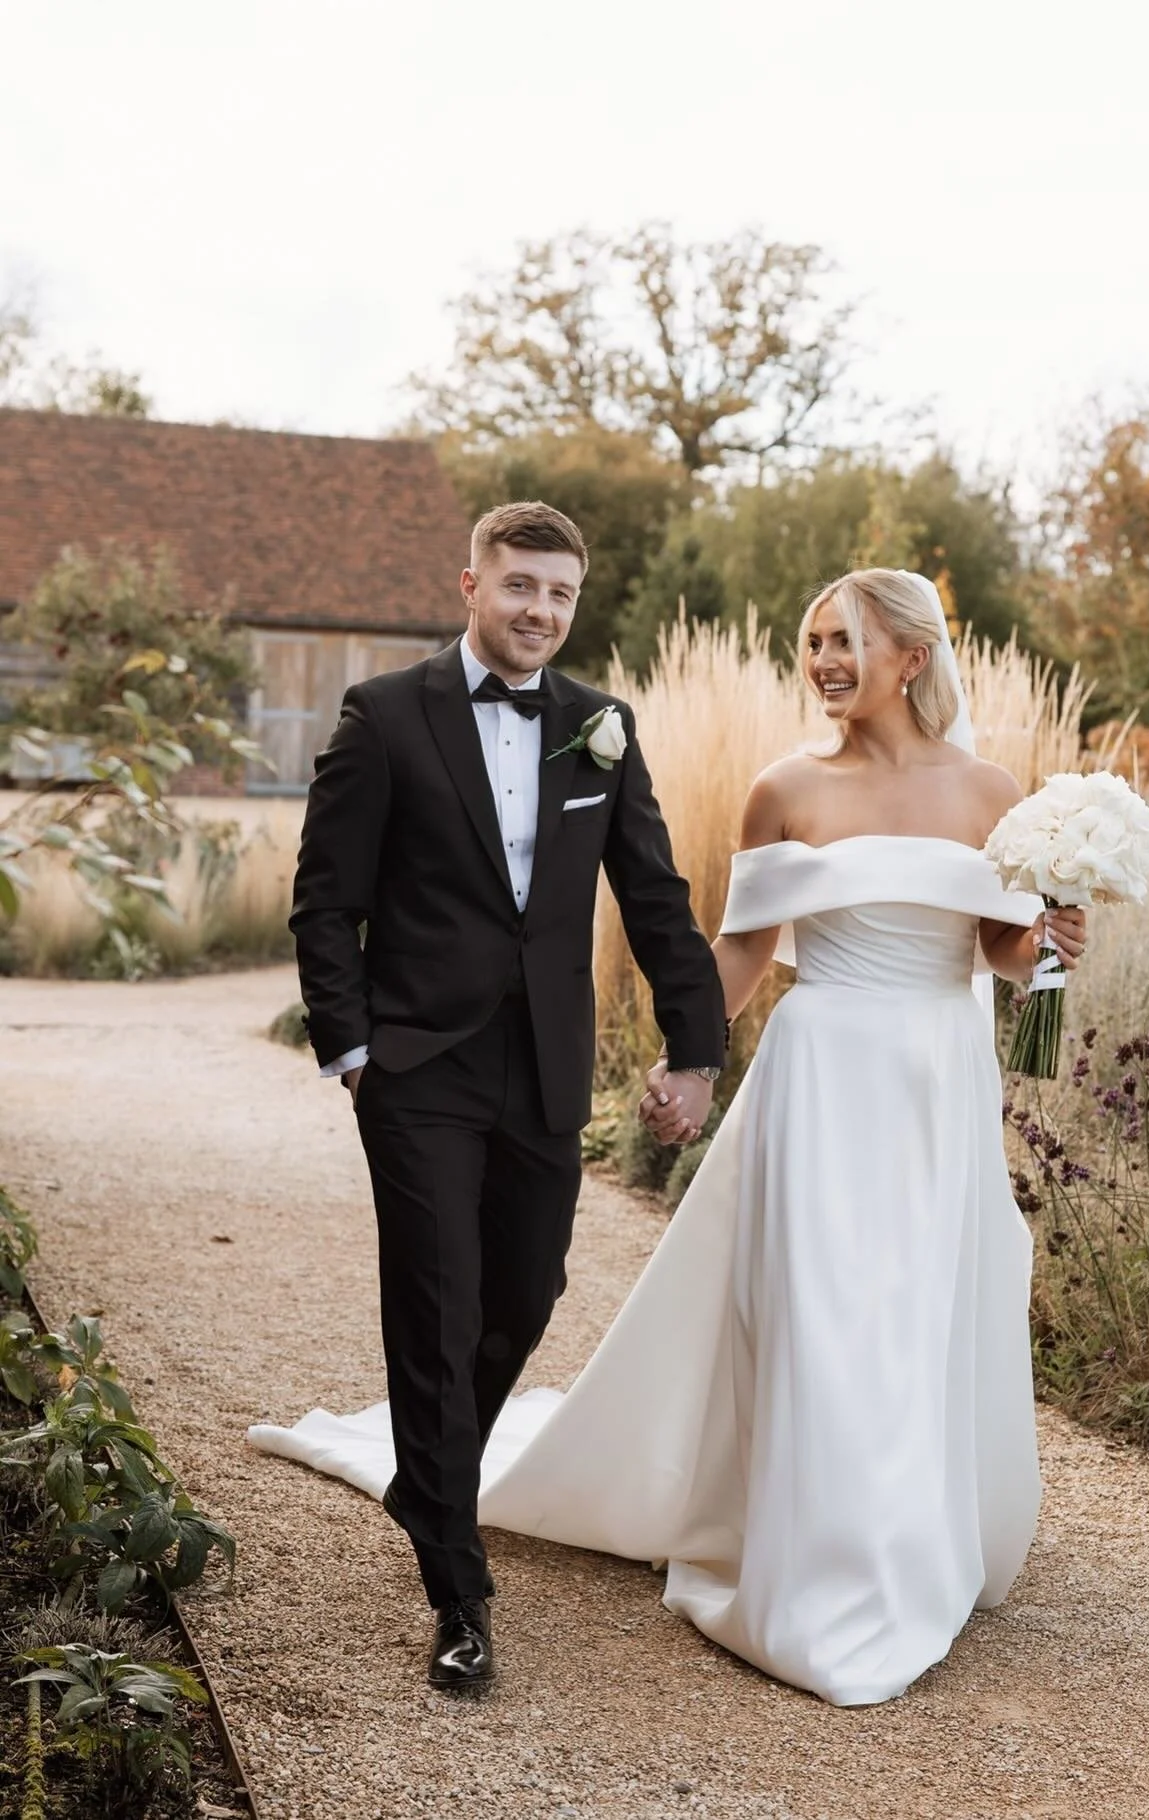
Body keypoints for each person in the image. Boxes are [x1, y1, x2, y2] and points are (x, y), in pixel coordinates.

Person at [255, 566, 1086, 1707]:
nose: (826, 659)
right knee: (826, 1308)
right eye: (813, 639)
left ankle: (908, 1532)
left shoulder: (994, 790)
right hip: (825, 1075)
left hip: (939, 1079)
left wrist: (1050, 948)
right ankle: (818, 1557)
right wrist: (691, 1059)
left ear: (912, 655)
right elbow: (738, 950)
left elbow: (998, 948)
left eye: (846, 639)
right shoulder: (784, 787)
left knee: (913, 1304)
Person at [284, 499, 726, 1690]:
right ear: (469, 584)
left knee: (526, 1291)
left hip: (544, 1064)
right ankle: (459, 1585)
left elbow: (656, 894)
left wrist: (696, 1042)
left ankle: (429, 1477)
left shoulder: (598, 727)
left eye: (560, 593)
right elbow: (327, 900)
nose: (540, 610)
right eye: (519, 585)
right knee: (438, 1298)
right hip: (418, 1064)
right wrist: (354, 1047)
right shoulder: (386, 716)